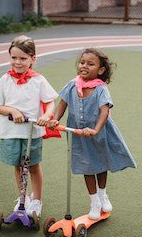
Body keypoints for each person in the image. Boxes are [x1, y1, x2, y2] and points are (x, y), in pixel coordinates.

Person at [50, 48, 136, 220]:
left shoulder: (100, 89)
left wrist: (96, 129)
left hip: (99, 132)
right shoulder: (72, 84)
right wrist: (55, 119)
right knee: (86, 166)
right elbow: (62, 104)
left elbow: (104, 111)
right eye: (82, 62)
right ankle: (94, 201)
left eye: (90, 64)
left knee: (100, 164)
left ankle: (103, 194)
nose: (84, 66)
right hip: (78, 134)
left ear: (101, 70)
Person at [0, 35, 58, 217]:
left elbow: (50, 102)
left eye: (23, 58)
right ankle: (23, 198)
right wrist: (11, 110)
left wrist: (46, 114)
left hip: (31, 132)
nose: (17, 62)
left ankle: (37, 200)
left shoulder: (38, 80)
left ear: (33, 59)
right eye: (14, 58)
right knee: (18, 166)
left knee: (33, 166)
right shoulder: (5, 79)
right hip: (10, 132)